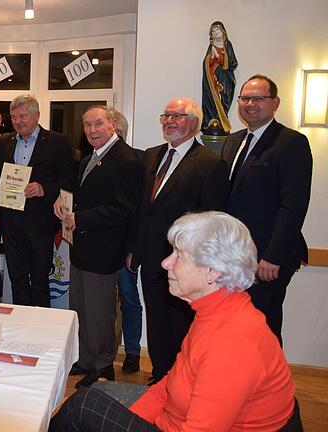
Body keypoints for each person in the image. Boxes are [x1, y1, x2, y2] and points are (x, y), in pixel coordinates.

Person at [49, 211, 297, 432]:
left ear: (214, 272)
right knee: (90, 402)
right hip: (169, 420)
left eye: (179, 256)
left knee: (85, 407)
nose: (166, 263)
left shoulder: (232, 342)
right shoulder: (214, 312)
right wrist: (133, 419)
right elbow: (169, 385)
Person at [128, 98, 229, 384]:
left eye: (178, 116)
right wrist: (134, 249)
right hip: (150, 257)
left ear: (194, 123)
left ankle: (181, 379)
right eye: (166, 116)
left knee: (181, 324)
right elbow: (141, 210)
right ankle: (160, 375)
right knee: (157, 320)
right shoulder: (150, 156)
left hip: (187, 263)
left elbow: (212, 221)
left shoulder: (211, 164)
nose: (169, 121)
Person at [222, 74, 313, 344]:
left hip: (268, 258)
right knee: (235, 326)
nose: (250, 104)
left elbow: (293, 204)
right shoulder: (233, 141)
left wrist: (272, 256)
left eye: (258, 98)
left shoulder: (290, 142)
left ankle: (271, 386)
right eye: (245, 98)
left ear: (275, 102)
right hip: (235, 255)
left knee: (263, 327)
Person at [54, 106, 140, 388]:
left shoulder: (126, 159)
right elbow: (82, 196)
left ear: (113, 124)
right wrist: (62, 201)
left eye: (98, 124)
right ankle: (87, 359)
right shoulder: (90, 158)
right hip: (81, 247)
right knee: (80, 306)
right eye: (87, 125)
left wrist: (81, 218)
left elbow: (124, 209)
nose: (92, 130)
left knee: (100, 310)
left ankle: (104, 366)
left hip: (104, 249)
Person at [0, 94, 75, 307]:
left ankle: (40, 328)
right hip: (11, 223)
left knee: (40, 281)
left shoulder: (57, 142)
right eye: (14, 117)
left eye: (23, 116)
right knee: (17, 280)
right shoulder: (4, 142)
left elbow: (69, 181)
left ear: (37, 115)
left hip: (41, 225)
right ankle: (21, 326)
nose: (18, 121)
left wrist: (45, 189)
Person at [113, 109, 143, 374]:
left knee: (130, 299)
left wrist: (134, 249)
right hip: (101, 248)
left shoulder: (139, 159)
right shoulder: (91, 160)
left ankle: (132, 351)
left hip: (126, 248)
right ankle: (105, 353)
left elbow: (139, 211)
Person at [201, 21, 238, 136]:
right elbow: (206, 63)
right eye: (213, 31)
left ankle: (222, 121)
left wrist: (220, 57)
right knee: (212, 99)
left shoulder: (228, 45)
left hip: (225, 79)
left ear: (223, 31)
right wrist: (211, 58)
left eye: (217, 30)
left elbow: (233, 63)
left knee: (223, 99)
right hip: (212, 79)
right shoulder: (211, 47)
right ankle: (212, 121)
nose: (215, 33)